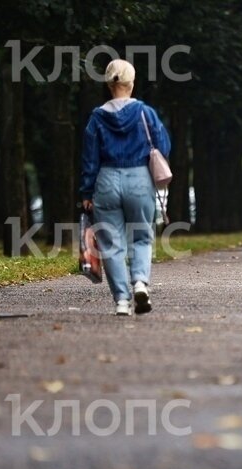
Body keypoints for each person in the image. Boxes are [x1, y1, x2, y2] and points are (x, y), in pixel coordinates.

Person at [80, 59, 171, 316]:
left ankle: (121, 300)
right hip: (139, 178)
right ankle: (140, 282)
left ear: (109, 85)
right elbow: (163, 146)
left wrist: (86, 192)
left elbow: (89, 158)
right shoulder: (145, 112)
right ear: (131, 83)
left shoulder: (96, 118)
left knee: (110, 244)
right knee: (142, 236)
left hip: (106, 180)